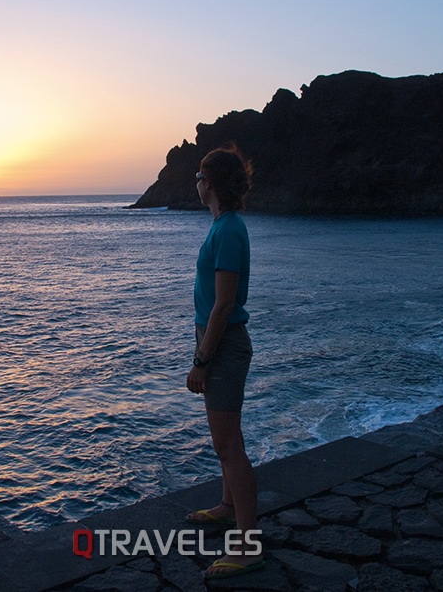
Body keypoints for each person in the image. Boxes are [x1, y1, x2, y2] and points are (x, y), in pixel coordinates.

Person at [184, 144, 264, 579]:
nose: (195, 184)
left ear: (209, 183)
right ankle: (227, 505)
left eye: (198, 177)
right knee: (226, 438)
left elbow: (223, 304)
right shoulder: (222, 226)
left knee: (229, 446)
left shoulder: (229, 230)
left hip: (223, 344)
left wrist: (201, 360)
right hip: (217, 340)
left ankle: (249, 546)